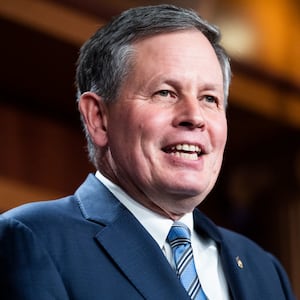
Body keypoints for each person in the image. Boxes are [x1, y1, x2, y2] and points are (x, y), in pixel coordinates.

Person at [0, 4, 295, 300]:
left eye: (209, 98)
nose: (194, 116)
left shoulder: (264, 269)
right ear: (99, 118)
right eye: (165, 92)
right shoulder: (32, 238)